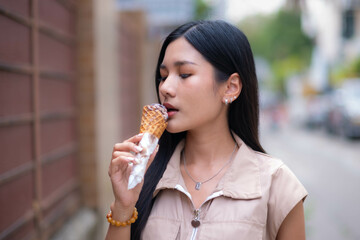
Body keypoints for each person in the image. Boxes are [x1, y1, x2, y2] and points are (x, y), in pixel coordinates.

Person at [106, 20, 307, 240]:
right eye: (163, 76)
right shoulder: (146, 176)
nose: (165, 88)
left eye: (184, 74)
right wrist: (123, 207)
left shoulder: (276, 184)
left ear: (230, 87)